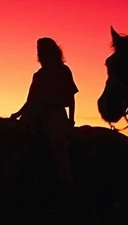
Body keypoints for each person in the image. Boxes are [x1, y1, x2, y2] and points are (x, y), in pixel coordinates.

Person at [11, 37, 78, 201]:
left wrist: (70, 120)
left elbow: (70, 98)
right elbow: (30, 101)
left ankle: (65, 184)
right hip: (33, 115)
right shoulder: (38, 75)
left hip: (54, 115)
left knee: (57, 143)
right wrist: (18, 114)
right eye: (38, 51)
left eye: (42, 51)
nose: (40, 55)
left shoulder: (63, 71)